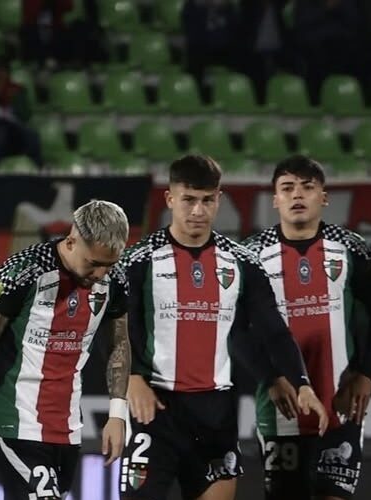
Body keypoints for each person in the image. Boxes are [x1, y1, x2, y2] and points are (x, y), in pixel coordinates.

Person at [118, 154, 328, 500]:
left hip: (217, 413)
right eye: (188, 200)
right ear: (170, 199)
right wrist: (133, 377)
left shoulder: (243, 262)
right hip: (157, 411)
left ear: (219, 199)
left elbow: (272, 329)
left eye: (206, 200)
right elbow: (118, 325)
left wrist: (299, 381)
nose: (198, 211)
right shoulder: (139, 260)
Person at [0, 200, 131, 498]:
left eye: (109, 265)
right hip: (16, 422)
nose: (101, 275)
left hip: (68, 430)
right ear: (72, 241)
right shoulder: (22, 273)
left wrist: (117, 414)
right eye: (93, 264)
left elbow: (119, 344)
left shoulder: (115, 280)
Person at [241, 155, 371, 500]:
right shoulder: (251, 255)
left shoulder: (351, 246)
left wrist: (366, 374)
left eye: (307, 188)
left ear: (324, 197)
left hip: (341, 401)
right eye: (287, 188)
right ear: (275, 199)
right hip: (281, 406)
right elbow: (237, 330)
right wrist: (269, 378)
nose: (298, 195)